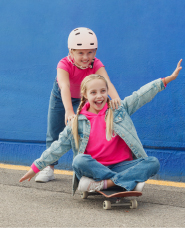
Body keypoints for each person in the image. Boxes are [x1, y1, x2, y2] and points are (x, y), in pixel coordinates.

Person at [20, 59, 182, 195]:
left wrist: (166, 80)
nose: (99, 96)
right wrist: (35, 167)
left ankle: (107, 184)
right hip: (95, 168)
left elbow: (141, 96)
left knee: (153, 162)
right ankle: (125, 181)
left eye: (103, 91)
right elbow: (58, 147)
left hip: (122, 165)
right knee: (79, 161)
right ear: (85, 95)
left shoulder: (118, 110)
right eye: (94, 92)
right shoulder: (78, 121)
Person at [35, 27, 121, 182]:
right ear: (71, 52)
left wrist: (116, 100)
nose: (86, 57)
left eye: (90, 52)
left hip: (85, 98)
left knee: (88, 131)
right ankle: (49, 167)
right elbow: (65, 87)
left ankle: (89, 168)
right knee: (54, 131)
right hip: (61, 95)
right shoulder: (64, 64)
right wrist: (68, 110)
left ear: (95, 52)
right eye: (80, 53)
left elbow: (107, 82)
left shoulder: (96, 64)